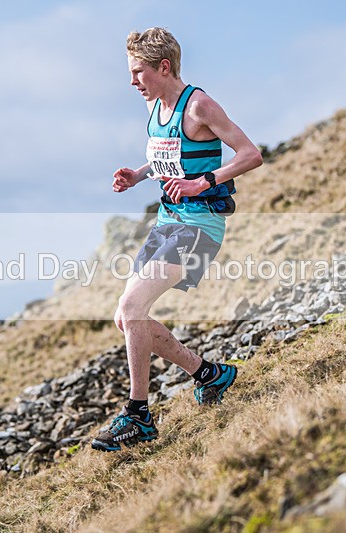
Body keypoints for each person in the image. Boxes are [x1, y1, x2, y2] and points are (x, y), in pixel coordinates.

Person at [91, 27, 263, 452]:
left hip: (200, 224)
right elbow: (165, 156)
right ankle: (208, 374)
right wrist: (138, 174)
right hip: (168, 222)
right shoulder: (153, 105)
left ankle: (138, 416)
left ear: (163, 67)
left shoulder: (199, 104)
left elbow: (250, 154)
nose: (133, 81)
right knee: (125, 318)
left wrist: (203, 182)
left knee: (133, 308)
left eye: (138, 72)